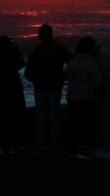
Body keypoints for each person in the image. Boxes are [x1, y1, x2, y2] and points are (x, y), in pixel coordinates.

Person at [24, 23, 72, 151]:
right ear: (51, 35)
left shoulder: (36, 52)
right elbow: (72, 62)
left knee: (41, 116)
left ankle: (39, 144)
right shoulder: (60, 49)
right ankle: (55, 144)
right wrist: (64, 76)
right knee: (54, 116)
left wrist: (37, 80)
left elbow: (27, 73)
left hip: (40, 88)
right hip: (56, 86)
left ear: (40, 36)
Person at [0, 35, 26, 154]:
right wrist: (15, 47)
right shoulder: (12, 60)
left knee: (0, 120)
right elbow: (22, 62)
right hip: (13, 94)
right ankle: (11, 145)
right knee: (12, 120)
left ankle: (1, 146)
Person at [65, 37, 103, 156]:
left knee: (74, 123)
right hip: (86, 97)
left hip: (72, 97)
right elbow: (98, 82)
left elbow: (66, 75)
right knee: (85, 124)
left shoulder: (72, 61)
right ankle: (83, 149)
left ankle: (73, 148)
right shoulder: (91, 62)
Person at [91, 39, 110, 159]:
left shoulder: (100, 56)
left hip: (102, 91)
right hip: (106, 90)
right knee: (104, 119)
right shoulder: (104, 53)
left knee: (100, 120)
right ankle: (105, 147)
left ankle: (104, 148)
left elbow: (104, 75)